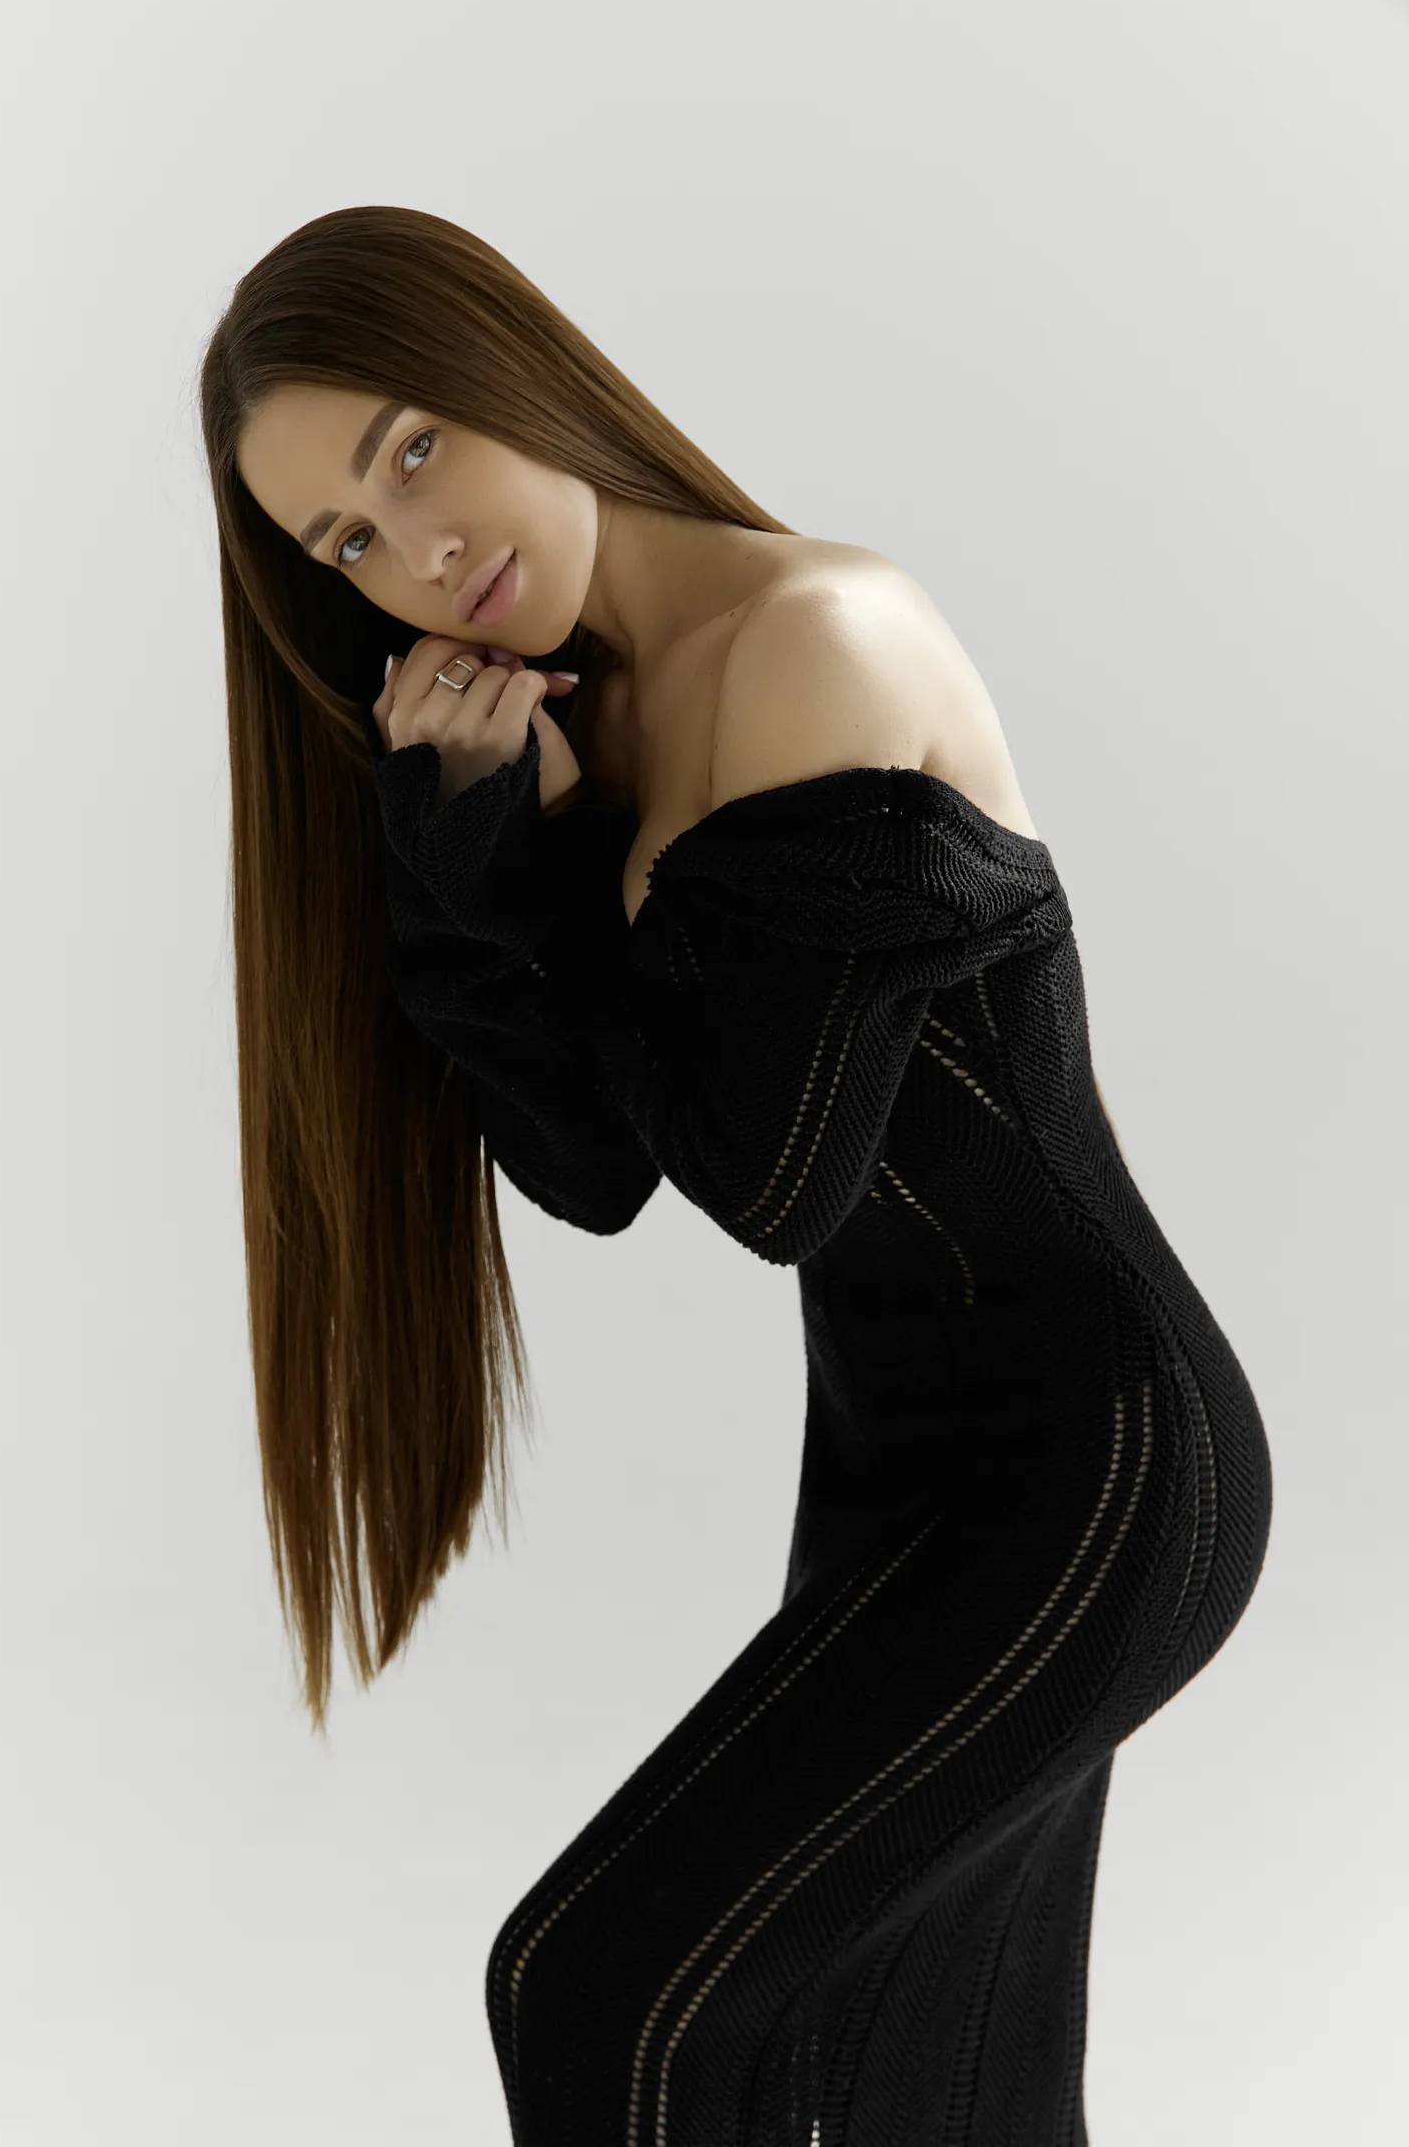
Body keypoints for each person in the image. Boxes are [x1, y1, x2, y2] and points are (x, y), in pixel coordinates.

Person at [203, 202, 1273, 2146]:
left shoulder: (817, 641)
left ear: (520, 367)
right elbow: (596, 1168)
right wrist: (461, 880)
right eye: (348, 541)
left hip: (1098, 1470)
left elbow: (775, 1180)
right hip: (894, 1474)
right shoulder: (583, 719)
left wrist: (521, 878)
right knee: (930, 2097)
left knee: (592, 1992)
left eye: (414, 450)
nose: (418, 553)